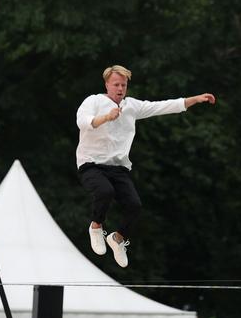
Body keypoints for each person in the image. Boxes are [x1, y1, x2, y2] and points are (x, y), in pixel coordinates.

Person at [77, 65, 215, 267]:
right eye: (116, 84)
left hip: (118, 167)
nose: (120, 88)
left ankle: (117, 239)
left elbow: (162, 106)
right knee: (104, 191)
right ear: (106, 84)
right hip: (92, 163)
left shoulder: (131, 106)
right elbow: (83, 122)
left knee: (135, 206)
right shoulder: (94, 101)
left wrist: (194, 99)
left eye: (123, 85)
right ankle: (96, 226)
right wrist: (106, 117)